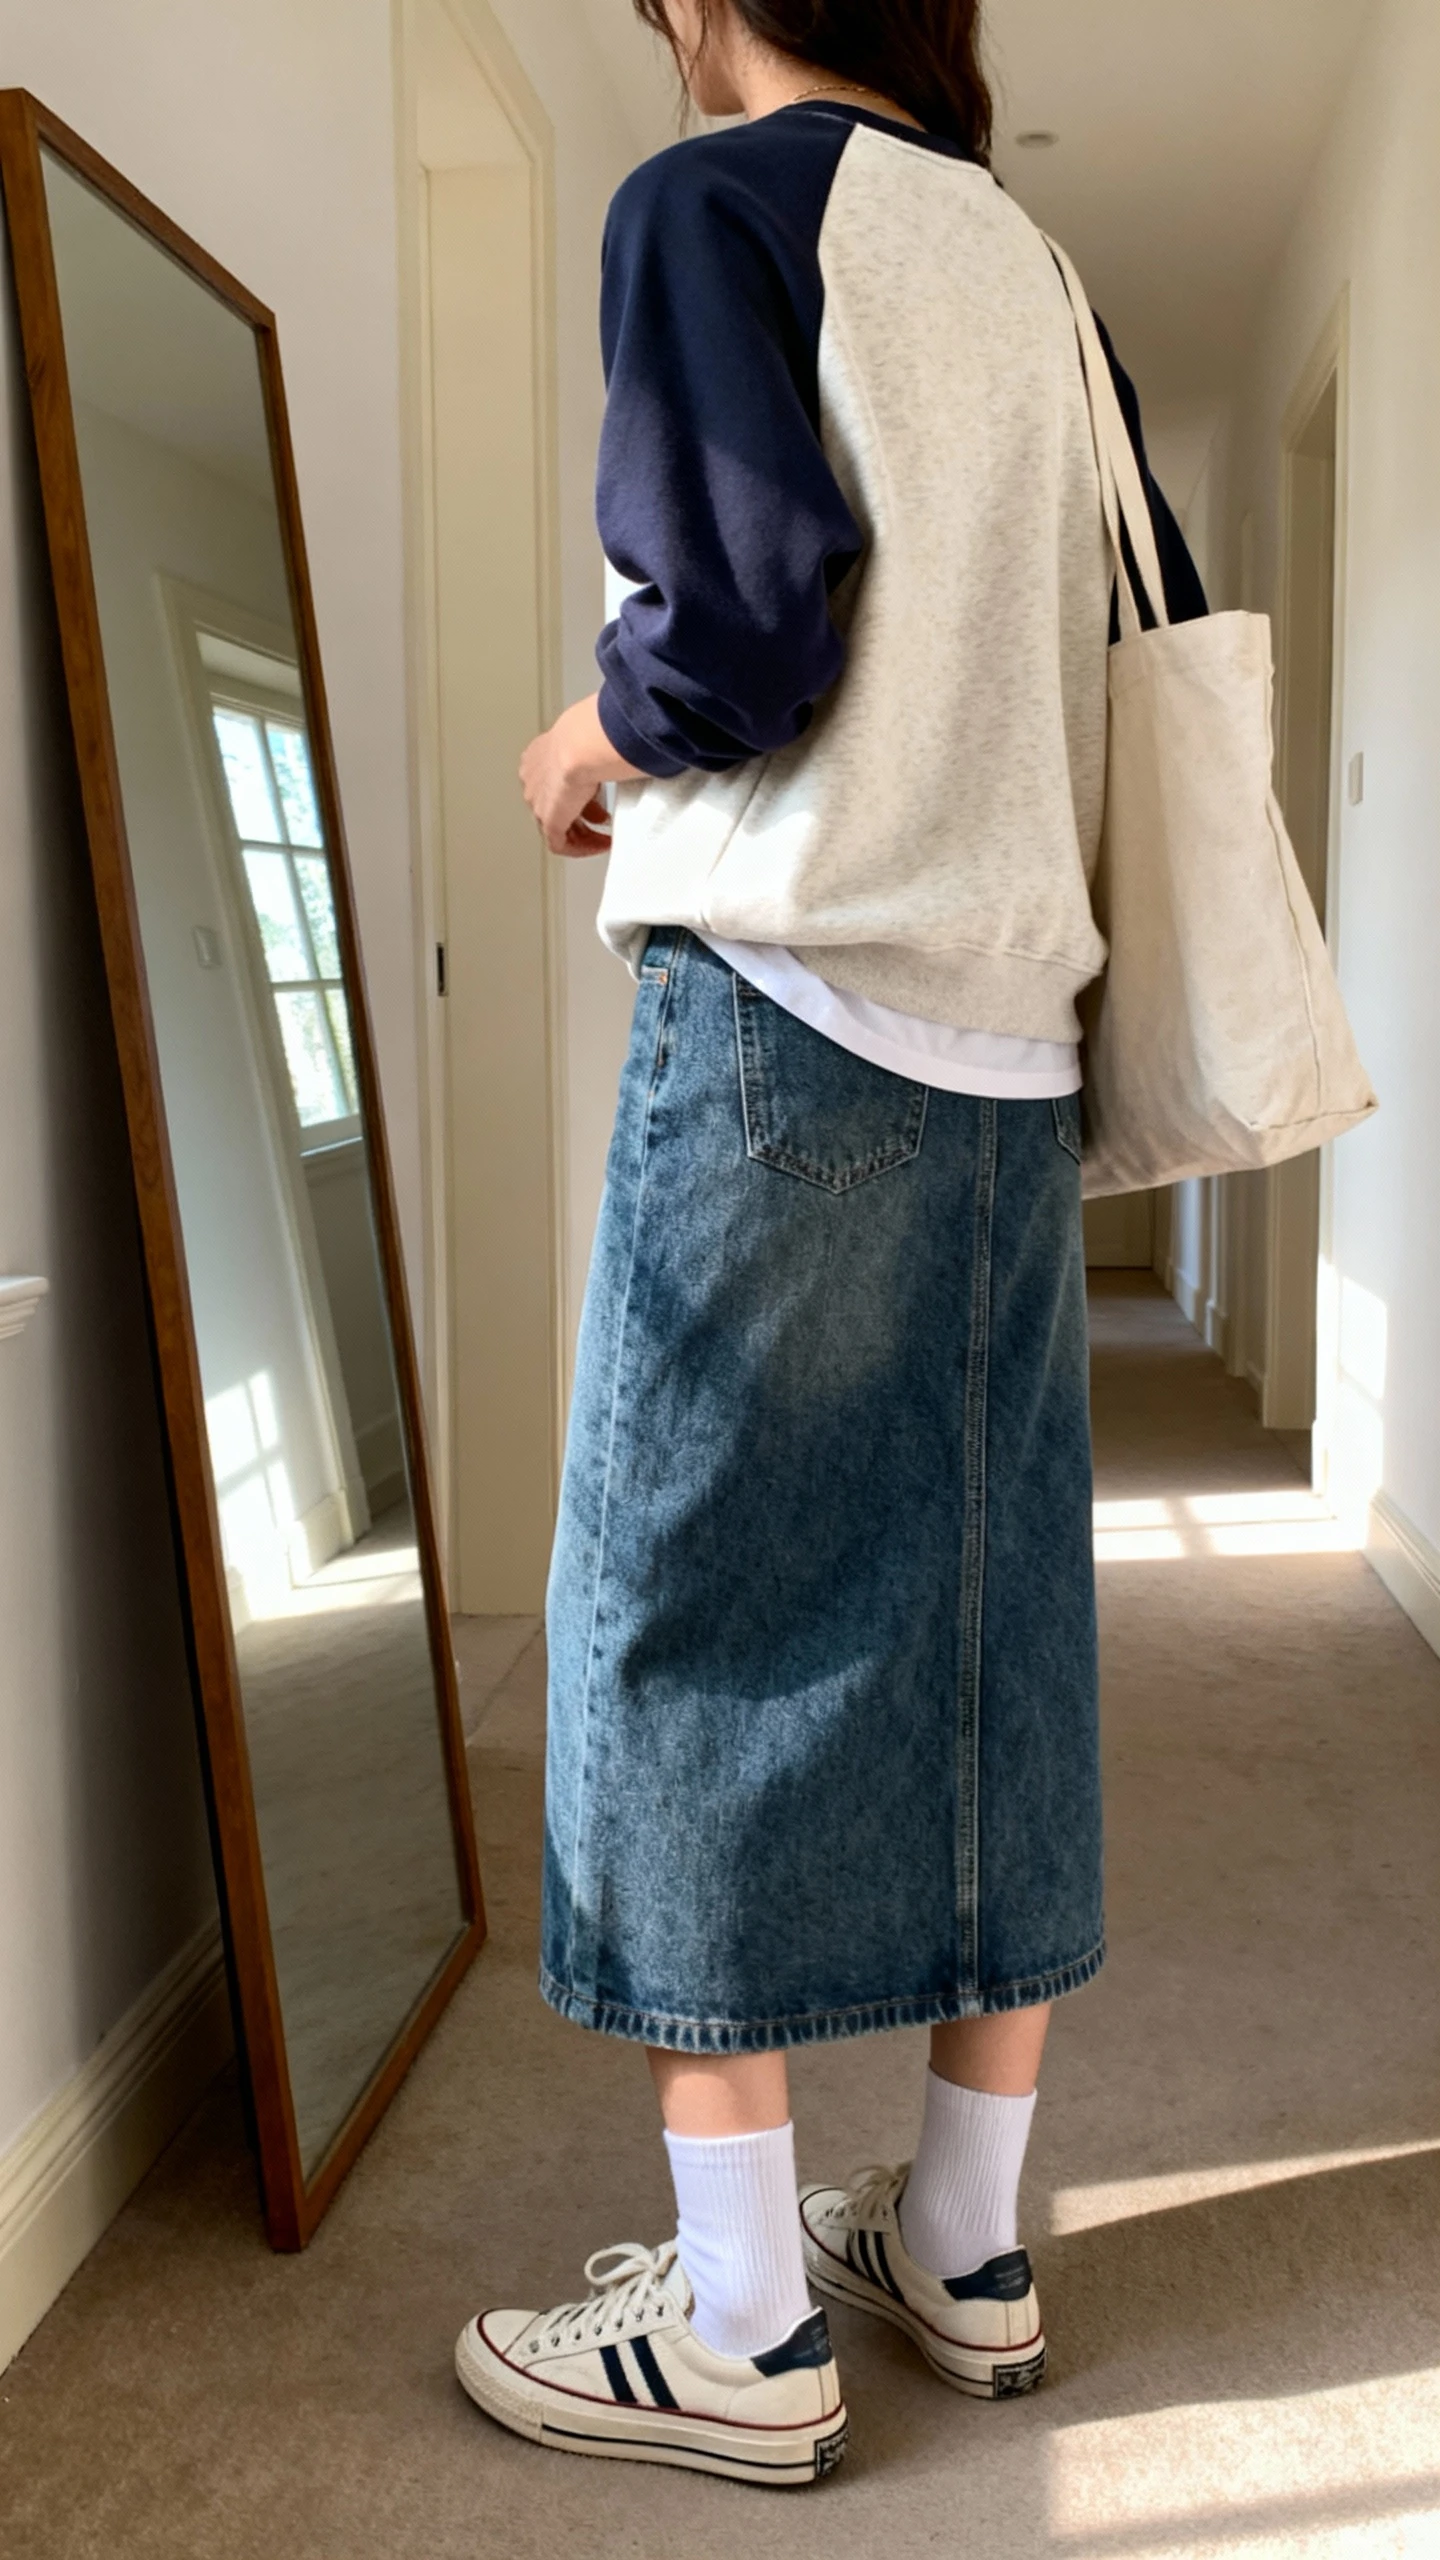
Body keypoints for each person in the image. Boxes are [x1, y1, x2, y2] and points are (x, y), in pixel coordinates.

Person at [455, 0, 1205, 2487]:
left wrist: (588, 735)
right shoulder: (1033, 270)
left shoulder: (712, 204)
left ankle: (742, 2315)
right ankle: (966, 2248)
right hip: (1009, 1048)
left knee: (679, 1620)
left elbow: (745, 623)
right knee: (990, 1627)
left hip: (787, 1014)